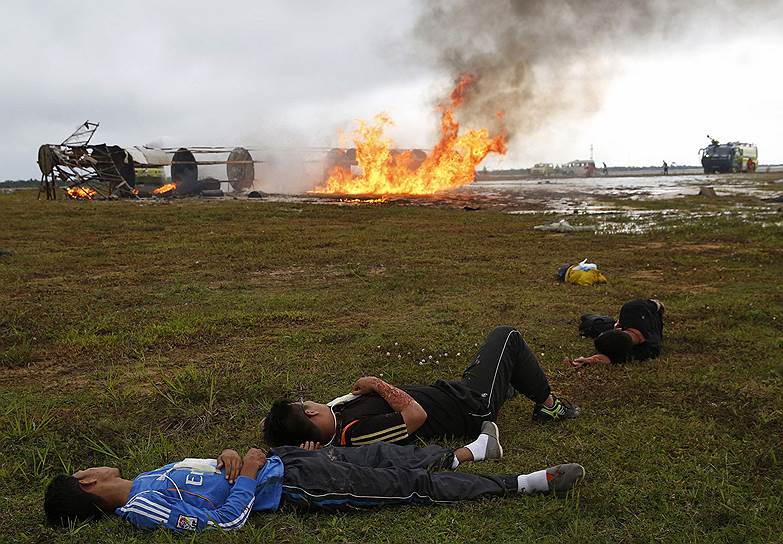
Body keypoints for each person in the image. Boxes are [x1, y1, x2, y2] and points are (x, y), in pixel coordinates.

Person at [44, 444, 586, 533]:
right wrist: (253, 475)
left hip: (285, 466)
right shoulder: (142, 507)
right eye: (88, 469)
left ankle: (476, 451)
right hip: (297, 490)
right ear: (88, 484)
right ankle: (524, 485)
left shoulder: (149, 478)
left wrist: (232, 457)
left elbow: (211, 469)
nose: (97, 467)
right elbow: (224, 522)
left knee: (375, 458)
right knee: (405, 487)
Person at [262, 326, 580, 449]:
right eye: (304, 401)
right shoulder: (352, 433)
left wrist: (283, 430)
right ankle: (552, 407)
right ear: (309, 410)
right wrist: (377, 384)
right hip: (470, 408)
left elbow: (275, 427)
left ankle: (509, 387)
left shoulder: (336, 414)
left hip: (456, 391)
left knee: (504, 372)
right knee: (506, 337)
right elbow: (415, 416)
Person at [565, 299, 665, 367]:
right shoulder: (632, 309)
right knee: (593, 324)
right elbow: (657, 304)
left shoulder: (650, 348)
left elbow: (610, 359)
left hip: (613, 324)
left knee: (591, 326)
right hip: (639, 318)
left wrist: (591, 360)